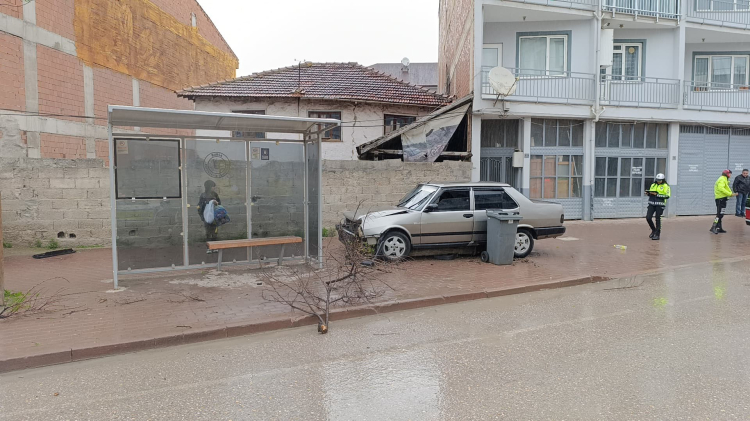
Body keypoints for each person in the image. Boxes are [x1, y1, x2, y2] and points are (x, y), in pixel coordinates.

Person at [198, 180, 221, 253]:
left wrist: (216, 204)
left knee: (215, 233)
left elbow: (219, 204)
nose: (214, 188)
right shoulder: (203, 195)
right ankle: (209, 248)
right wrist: (202, 217)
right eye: (213, 186)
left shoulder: (215, 195)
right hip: (206, 217)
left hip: (214, 217)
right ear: (209, 187)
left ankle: (215, 247)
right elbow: (200, 206)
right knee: (208, 233)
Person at [645, 173, 671, 241]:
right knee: (648, 217)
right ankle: (653, 230)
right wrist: (648, 193)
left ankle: (657, 234)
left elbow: (667, 196)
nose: (658, 181)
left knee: (657, 218)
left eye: (660, 180)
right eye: (657, 180)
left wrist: (657, 195)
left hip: (660, 204)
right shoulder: (653, 185)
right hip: (651, 203)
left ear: (663, 180)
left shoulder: (666, 186)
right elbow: (651, 193)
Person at [711, 170, 737, 234]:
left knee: (721, 214)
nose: (730, 175)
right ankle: (713, 227)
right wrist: (730, 194)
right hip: (720, 199)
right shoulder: (722, 179)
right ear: (727, 174)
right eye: (730, 174)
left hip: (723, 199)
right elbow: (721, 188)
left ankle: (719, 227)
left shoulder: (724, 179)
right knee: (719, 214)